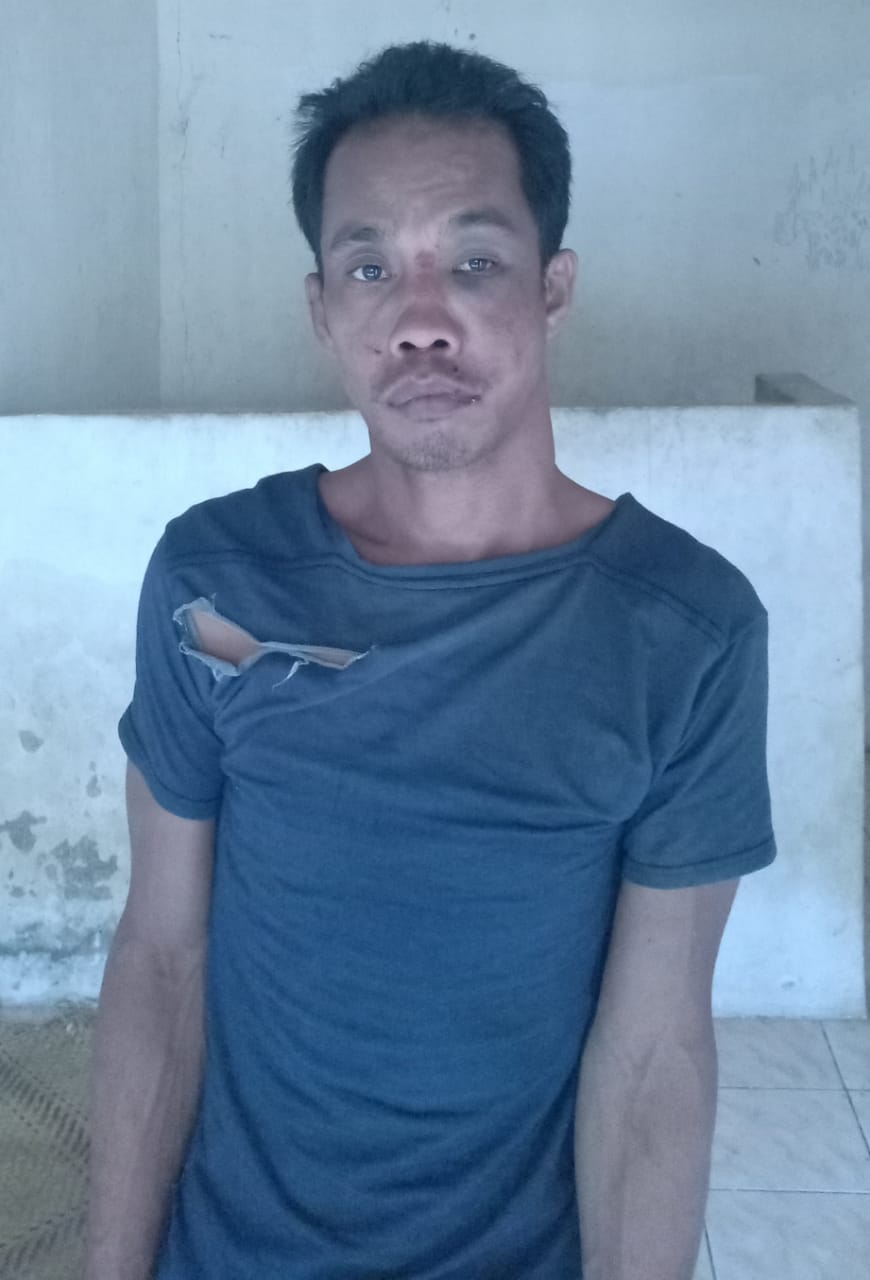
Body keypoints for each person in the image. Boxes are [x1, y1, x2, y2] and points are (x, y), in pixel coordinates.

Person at [85, 40, 776, 1280]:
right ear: (323, 309)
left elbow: (655, 1049)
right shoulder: (216, 578)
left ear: (552, 286)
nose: (418, 322)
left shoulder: (685, 629)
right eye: (369, 267)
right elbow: (163, 956)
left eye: (473, 262)